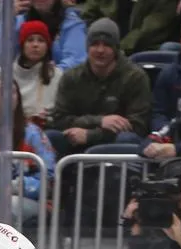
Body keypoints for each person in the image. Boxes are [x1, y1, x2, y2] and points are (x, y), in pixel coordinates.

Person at [46, 18, 151, 156]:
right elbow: (59, 120)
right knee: (51, 137)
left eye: (107, 45)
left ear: (116, 49)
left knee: (127, 139)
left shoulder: (135, 77)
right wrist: (99, 121)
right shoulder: (71, 77)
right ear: (87, 47)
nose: (100, 50)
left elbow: (138, 127)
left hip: (114, 142)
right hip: (76, 139)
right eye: (95, 44)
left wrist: (90, 135)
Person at [0, 76, 55, 230]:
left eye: (11, 92)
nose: (5, 97)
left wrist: (17, 186)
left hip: (27, 199)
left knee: (5, 207)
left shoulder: (34, 134)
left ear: (18, 99)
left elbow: (49, 178)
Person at [0, 20, 61, 125]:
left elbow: (62, 113)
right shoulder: (0, 73)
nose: (35, 45)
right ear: (22, 45)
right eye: (30, 40)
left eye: (41, 40)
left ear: (47, 46)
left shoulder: (57, 75)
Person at [0, 0, 86, 72]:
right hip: (21, 82)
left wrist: (52, 72)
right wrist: (8, 18)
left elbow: (76, 61)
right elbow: (1, 56)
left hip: (56, 84)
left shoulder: (72, 23)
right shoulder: (19, 20)